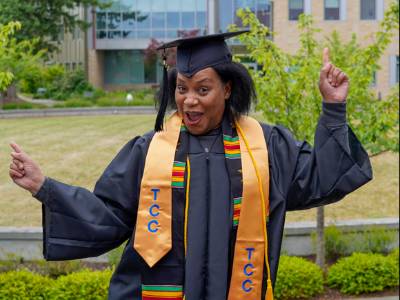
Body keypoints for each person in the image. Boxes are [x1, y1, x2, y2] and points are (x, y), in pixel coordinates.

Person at [9, 31, 372, 300]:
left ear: (227, 89)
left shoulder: (267, 146)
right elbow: (108, 216)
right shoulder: (149, 151)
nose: (189, 101)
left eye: (202, 89)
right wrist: (45, 187)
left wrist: (334, 109)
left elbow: (322, 178)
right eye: (182, 88)